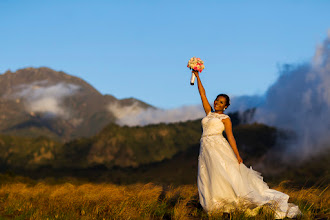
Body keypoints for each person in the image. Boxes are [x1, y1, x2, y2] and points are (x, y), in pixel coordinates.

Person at [193, 70, 301, 218]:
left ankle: (226, 204)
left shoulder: (225, 118)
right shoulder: (209, 113)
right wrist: (197, 76)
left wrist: (237, 155)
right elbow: (202, 94)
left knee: (221, 174)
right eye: (217, 100)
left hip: (218, 146)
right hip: (205, 147)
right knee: (209, 174)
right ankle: (213, 204)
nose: (217, 103)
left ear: (225, 106)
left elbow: (231, 137)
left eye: (221, 102)